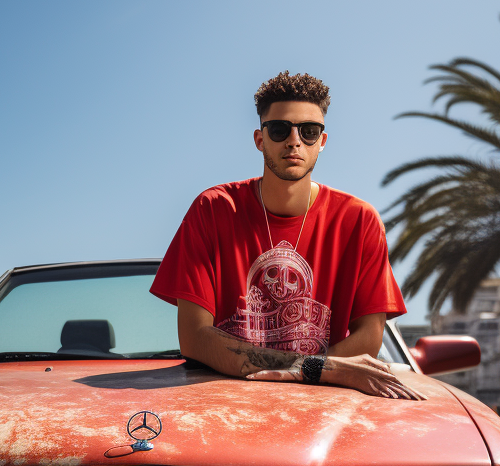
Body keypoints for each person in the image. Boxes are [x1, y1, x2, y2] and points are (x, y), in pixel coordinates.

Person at [151, 71, 419, 400]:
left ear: (322, 142)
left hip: (325, 407)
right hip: (220, 402)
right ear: (260, 139)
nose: (294, 141)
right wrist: (320, 369)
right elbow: (194, 338)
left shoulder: (359, 220)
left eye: (308, 131)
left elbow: (369, 336)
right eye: (280, 129)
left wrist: (306, 373)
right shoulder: (214, 209)